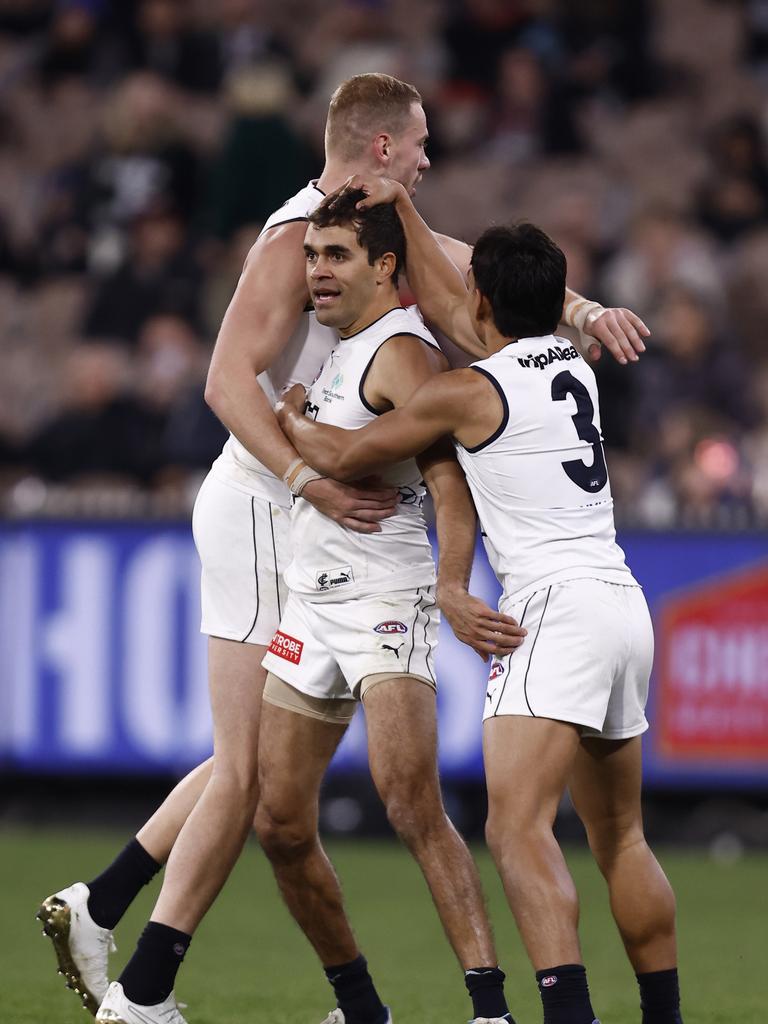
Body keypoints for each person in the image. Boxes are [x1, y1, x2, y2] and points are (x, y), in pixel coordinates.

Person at [38, 73, 649, 1024]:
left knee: (318, 791)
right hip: (267, 505)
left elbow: (469, 284)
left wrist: (577, 312)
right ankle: (137, 961)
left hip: (347, 543)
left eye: (340, 259)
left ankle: (122, 928)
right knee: (254, 779)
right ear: (377, 149)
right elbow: (224, 381)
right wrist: (301, 474)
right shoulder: (297, 237)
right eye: (417, 145)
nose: (426, 159)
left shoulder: (380, 248)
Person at [276, 178, 683, 1024]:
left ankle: (566, 1016)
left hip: (550, 613)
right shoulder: (575, 363)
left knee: (516, 831)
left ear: (485, 300)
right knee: (624, 840)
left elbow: (349, 452)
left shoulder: (469, 393)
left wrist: (287, 412)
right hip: (621, 603)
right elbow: (466, 296)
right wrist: (411, 213)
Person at [255, 187, 530, 1024]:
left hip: (386, 594)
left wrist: (450, 585)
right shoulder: (335, 347)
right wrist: (299, 417)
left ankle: (490, 1010)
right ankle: (361, 1008)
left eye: (336, 256)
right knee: (278, 822)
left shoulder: (403, 353)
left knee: (410, 802)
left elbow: (450, 481)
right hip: (313, 599)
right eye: (311, 256)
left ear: (385, 266)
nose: (317, 272)